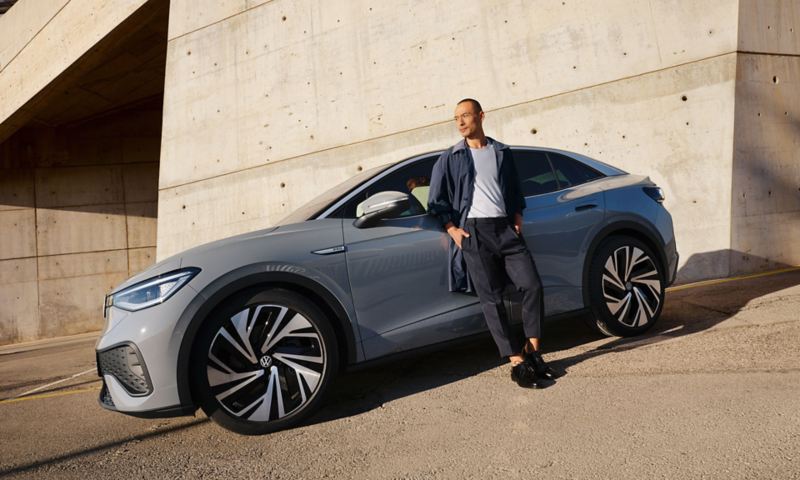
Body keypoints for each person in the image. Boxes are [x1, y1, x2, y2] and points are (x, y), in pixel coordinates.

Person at [427, 98, 557, 388]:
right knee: (492, 299)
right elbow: (436, 201)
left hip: (505, 229)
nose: (460, 122)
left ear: (481, 116)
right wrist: (453, 230)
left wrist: (518, 215)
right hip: (474, 232)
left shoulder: (501, 152)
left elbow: (513, 188)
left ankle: (534, 352)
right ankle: (517, 362)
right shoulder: (450, 157)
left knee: (532, 285)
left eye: (465, 116)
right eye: (456, 118)